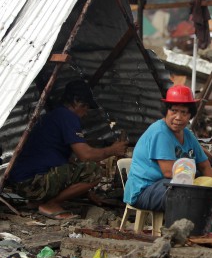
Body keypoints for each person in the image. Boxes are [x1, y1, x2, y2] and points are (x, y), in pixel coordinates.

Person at [8, 80, 128, 220]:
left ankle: (37, 201)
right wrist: (112, 150)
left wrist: (86, 192)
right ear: (76, 101)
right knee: (93, 170)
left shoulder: (54, 116)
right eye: (86, 106)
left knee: (77, 167)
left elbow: (69, 166)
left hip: (22, 183)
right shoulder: (68, 117)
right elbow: (86, 156)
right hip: (34, 183)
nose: (86, 112)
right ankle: (51, 204)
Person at [124, 85, 212, 212]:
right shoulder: (160, 132)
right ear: (166, 111)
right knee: (189, 195)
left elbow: (205, 165)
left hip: (168, 185)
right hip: (144, 190)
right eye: (174, 111)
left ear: (190, 115)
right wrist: (201, 186)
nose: (178, 117)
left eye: (184, 112)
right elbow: (169, 172)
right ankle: (182, 231)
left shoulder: (187, 134)